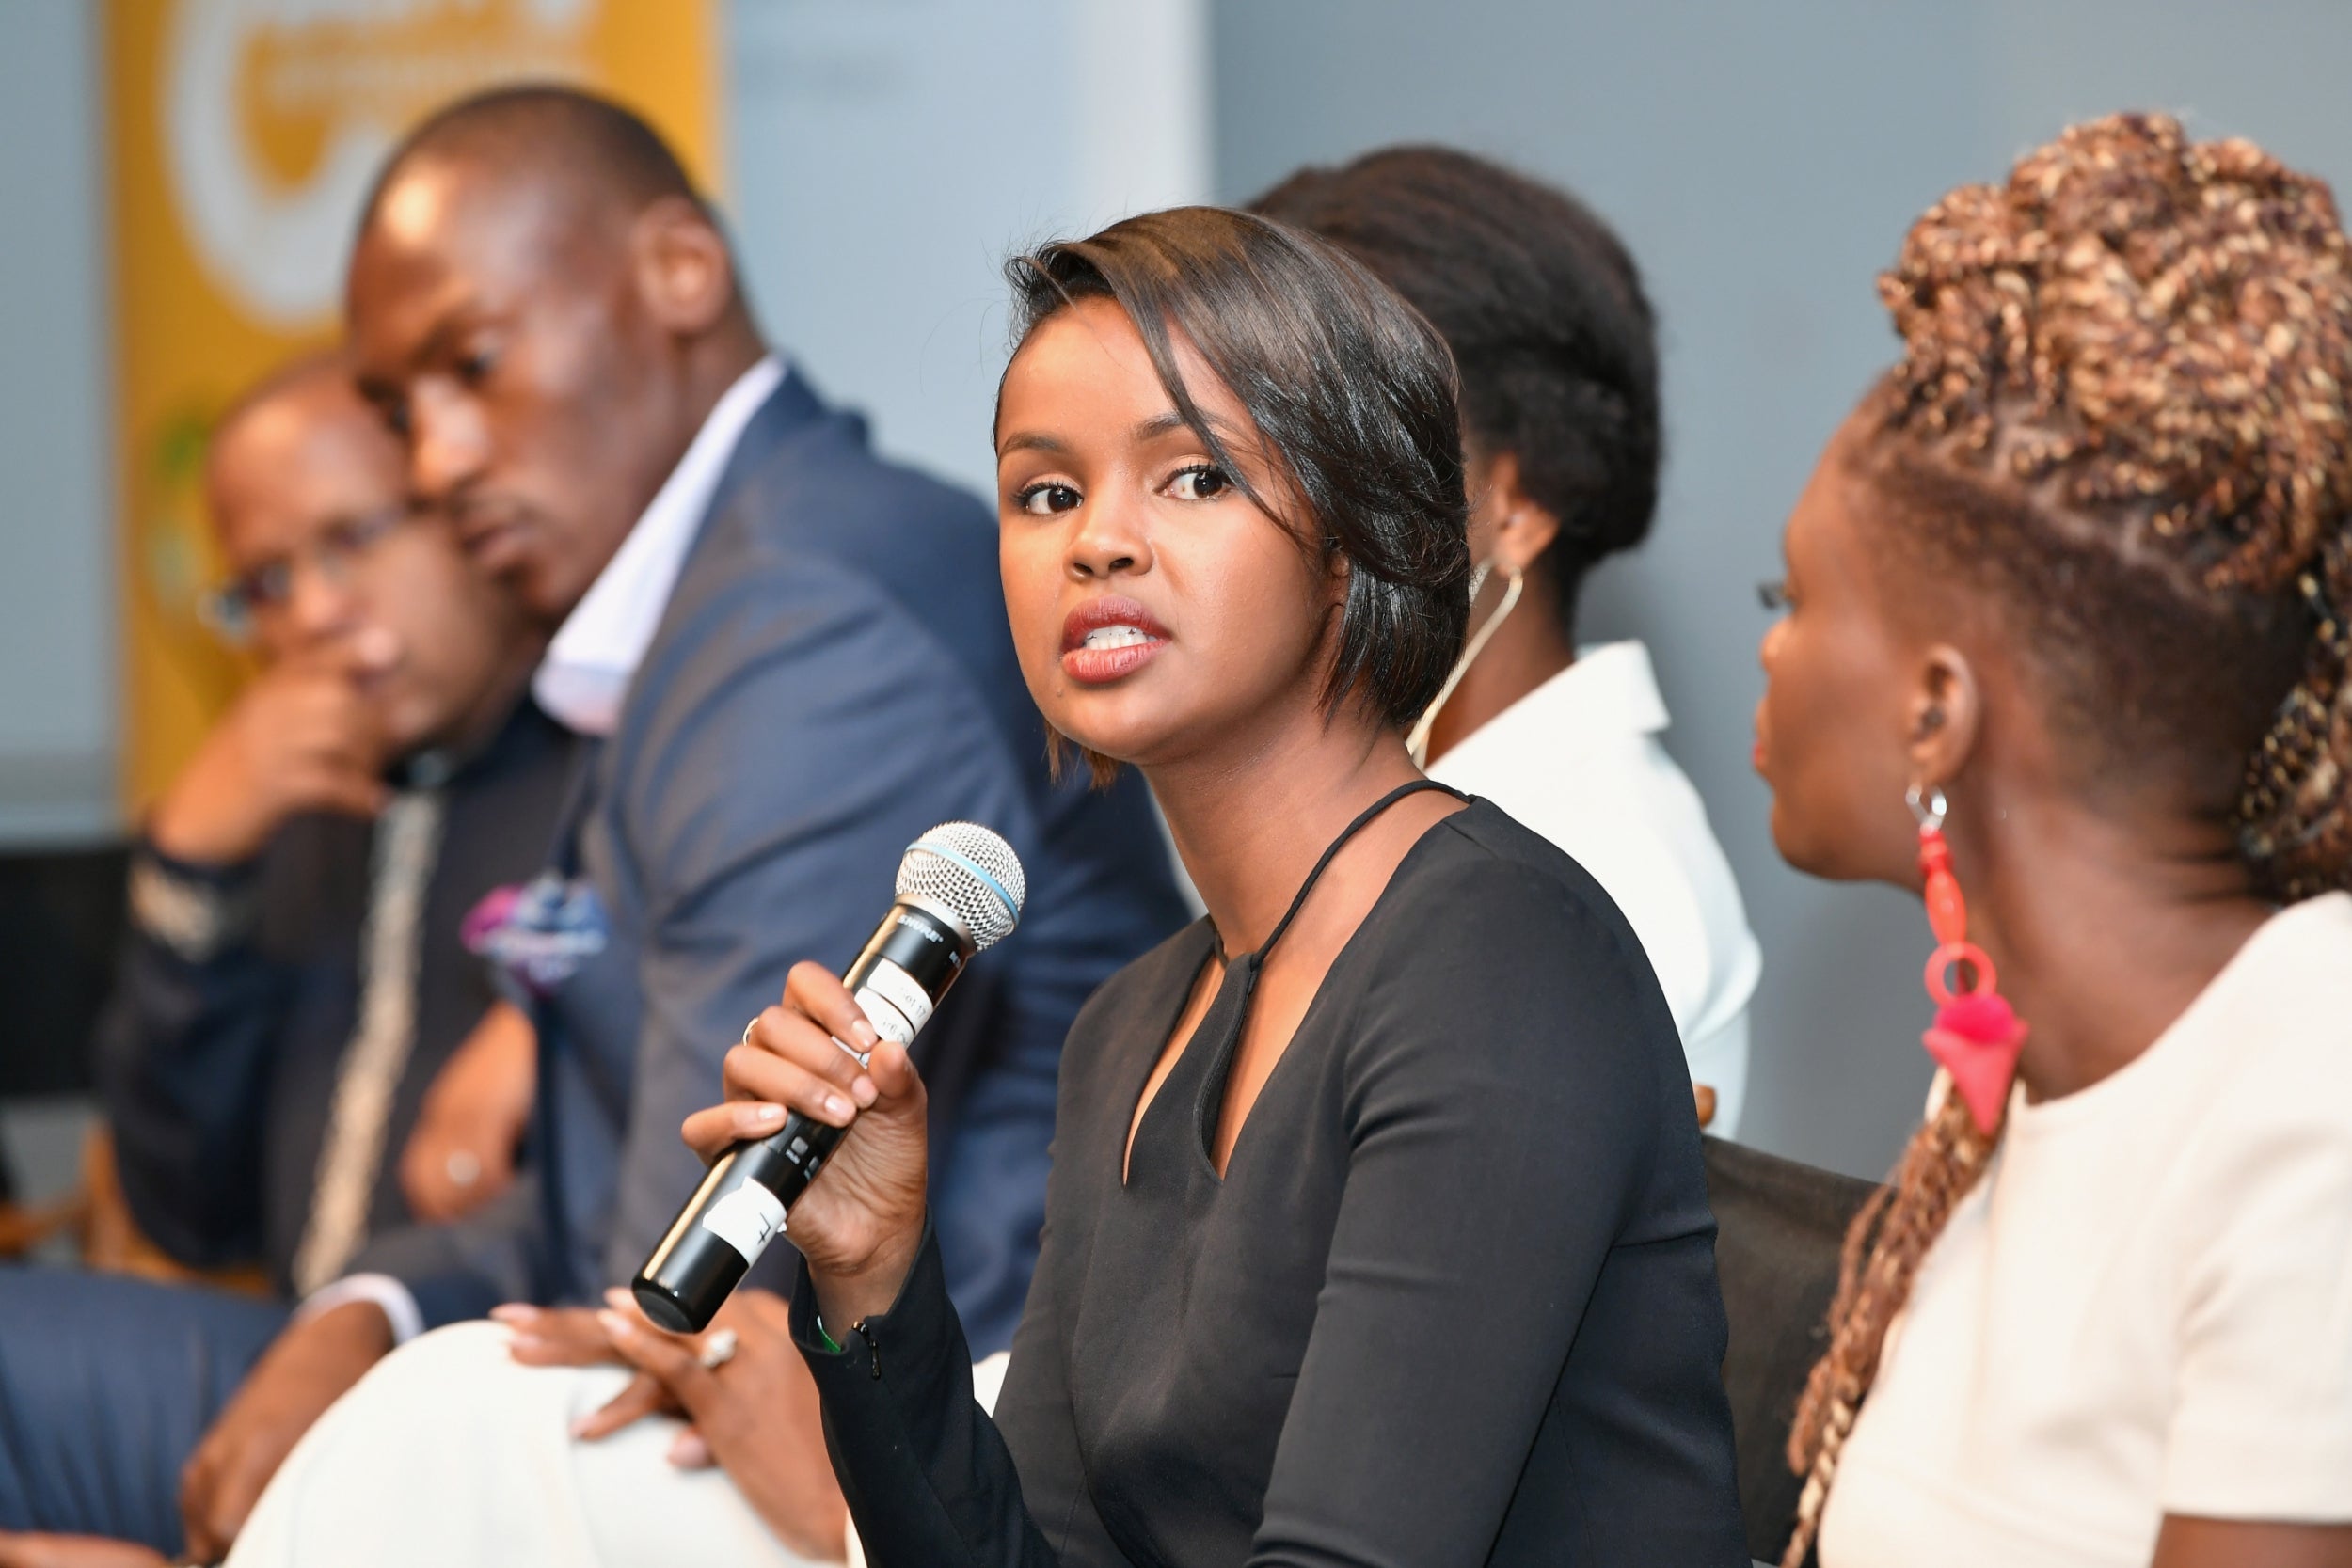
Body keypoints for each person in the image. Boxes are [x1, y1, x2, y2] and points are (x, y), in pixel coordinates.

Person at [230, 206, 1748, 1566]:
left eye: (1194, 476)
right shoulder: (1140, 1020)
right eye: (1042, 494)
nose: (1098, 543)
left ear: (1358, 542)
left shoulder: (1494, 955)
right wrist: (877, 1286)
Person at [186, 86, 1185, 1564]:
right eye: (405, 414)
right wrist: (368, 1300)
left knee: (429, 1418)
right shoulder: (712, 595)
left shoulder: (798, 621)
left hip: (927, 1427)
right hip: (708, 1351)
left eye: (473, 363)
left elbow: (693, 1272)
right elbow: (608, 1182)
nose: (441, 460)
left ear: (678, 273)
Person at [1756, 115, 2352, 1568]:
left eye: (1796, 597)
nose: (1770, 654)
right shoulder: (2017, 1095)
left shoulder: (2312, 1080)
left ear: (1934, 709)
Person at [0, 355, 571, 1564]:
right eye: (264, 581)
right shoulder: (302, 803)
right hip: (273, 1366)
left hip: (496, 1379)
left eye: (353, 537)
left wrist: (379, 1301)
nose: (310, 614)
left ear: (467, 507)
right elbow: (186, 1209)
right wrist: (192, 869)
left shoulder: (611, 774)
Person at [1252, 148, 1761, 1133]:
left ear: (1516, 500)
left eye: (1341, 436)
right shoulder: (1383, 814)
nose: (1270, 497)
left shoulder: (1585, 867)